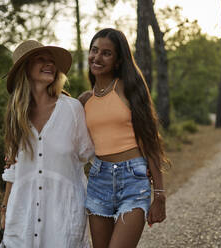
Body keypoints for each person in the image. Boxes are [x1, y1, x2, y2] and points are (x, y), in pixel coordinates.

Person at [78, 28, 168, 248]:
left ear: (118, 61)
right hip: (99, 179)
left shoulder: (127, 88)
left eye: (106, 53)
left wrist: (160, 194)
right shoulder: (84, 101)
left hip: (133, 179)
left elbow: (150, 140)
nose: (97, 57)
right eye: (94, 50)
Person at [0, 40, 94, 247]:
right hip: (23, 216)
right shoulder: (16, 114)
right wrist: (4, 210)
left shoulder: (72, 109)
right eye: (40, 59)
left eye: (51, 61)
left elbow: (89, 155)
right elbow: (12, 169)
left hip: (64, 215)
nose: (49, 64)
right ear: (25, 69)